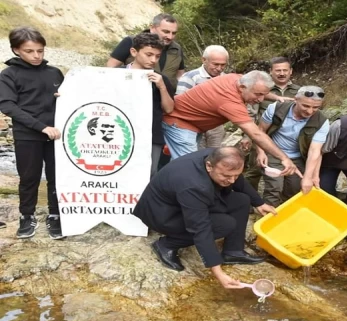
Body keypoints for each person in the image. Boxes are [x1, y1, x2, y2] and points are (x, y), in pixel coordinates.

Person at [132, 147, 276, 289]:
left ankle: (233, 251)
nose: (232, 181)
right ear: (209, 166)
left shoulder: (216, 156)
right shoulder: (193, 185)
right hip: (163, 214)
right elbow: (200, 228)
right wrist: (218, 272)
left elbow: (237, 180)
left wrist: (259, 203)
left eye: (236, 175)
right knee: (226, 224)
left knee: (242, 200)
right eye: (226, 176)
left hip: (185, 202)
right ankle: (166, 244)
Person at [162, 70, 301, 177]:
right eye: (258, 95)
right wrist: (284, 158)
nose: (260, 100)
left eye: (264, 95)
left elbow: (257, 89)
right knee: (188, 169)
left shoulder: (236, 78)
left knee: (177, 165)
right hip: (179, 124)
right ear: (242, 87)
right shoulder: (229, 101)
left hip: (194, 125)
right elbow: (256, 133)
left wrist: (276, 97)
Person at [0, 27, 64, 240]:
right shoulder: (9, 74)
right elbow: (8, 106)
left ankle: (55, 215)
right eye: (30, 51)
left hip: (57, 135)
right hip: (27, 135)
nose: (36, 56)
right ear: (16, 50)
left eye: (40, 50)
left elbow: (69, 101)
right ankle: (26, 216)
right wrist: (41, 127)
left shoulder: (54, 73)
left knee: (57, 177)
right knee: (29, 178)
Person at [256, 86, 329, 206]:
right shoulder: (276, 108)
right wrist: (261, 152)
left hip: (297, 157)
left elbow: (314, 151)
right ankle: (267, 219)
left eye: (315, 107)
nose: (310, 111)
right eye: (305, 106)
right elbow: (260, 131)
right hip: (274, 152)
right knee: (274, 188)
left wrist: (308, 177)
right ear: (295, 100)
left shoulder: (322, 122)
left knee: (294, 190)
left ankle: (286, 218)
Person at [243, 57, 300, 191]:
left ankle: (281, 201)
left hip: (287, 139)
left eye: (285, 70)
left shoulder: (299, 91)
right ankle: (250, 201)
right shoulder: (261, 88)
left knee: (286, 170)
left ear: (290, 71)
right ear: (271, 72)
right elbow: (249, 113)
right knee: (255, 170)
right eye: (278, 70)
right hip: (260, 135)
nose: (282, 73)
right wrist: (246, 136)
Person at [126, 32, 175, 176]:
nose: (153, 60)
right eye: (149, 54)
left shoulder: (161, 79)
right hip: (120, 132)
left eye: (157, 56)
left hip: (151, 136)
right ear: (134, 52)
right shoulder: (116, 74)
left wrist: (162, 87)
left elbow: (169, 109)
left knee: (149, 172)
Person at [106, 13, 185, 88]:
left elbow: (180, 75)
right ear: (152, 28)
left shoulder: (177, 48)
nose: (170, 37)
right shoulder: (131, 41)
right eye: (166, 32)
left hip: (166, 98)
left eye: (174, 33)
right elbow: (110, 68)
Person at [176, 45, 229, 149]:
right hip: (193, 124)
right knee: (196, 156)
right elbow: (179, 103)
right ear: (204, 60)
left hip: (216, 126)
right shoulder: (191, 77)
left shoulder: (226, 78)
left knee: (215, 156)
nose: (219, 68)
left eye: (223, 65)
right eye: (215, 64)